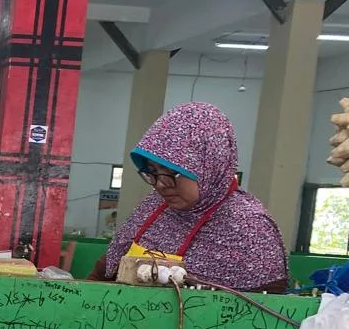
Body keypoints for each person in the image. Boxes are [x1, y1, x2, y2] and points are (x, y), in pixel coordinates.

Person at [90, 103, 289, 293]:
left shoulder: (250, 228)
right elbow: (104, 272)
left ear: (209, 166)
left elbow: (265, 308)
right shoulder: (154, 207)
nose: (160, 184)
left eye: (171, 172)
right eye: (152, 171)